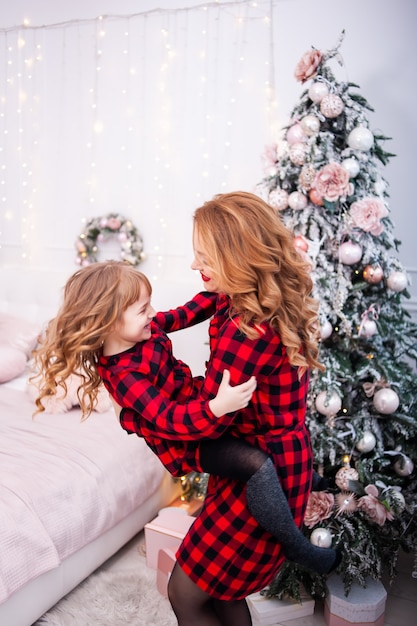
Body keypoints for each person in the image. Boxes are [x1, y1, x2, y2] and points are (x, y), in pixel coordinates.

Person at [32, 261, 336, 581]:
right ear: (108, 321)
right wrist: (218, 407)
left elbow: (184, 313)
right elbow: (168, 418)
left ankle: (306, 480)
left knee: (254, 428)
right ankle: (295, 544)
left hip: (197, 407)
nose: (153, 313)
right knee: (254, 463)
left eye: (150, 305)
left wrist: (224, 290)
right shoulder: (123, 374)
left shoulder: (144, 328)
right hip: (183, 440)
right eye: (143, 309)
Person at [154, 190, 340, 626]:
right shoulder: (247, 297)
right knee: (223, 593)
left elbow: (212, 419)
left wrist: (156, 412)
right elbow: (197, 306)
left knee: (185, 592)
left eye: (204, 258)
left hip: (260, 473)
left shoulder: (247, 331)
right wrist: (152, 325)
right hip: (267, 463)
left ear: (238, 258)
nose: (194, 266)